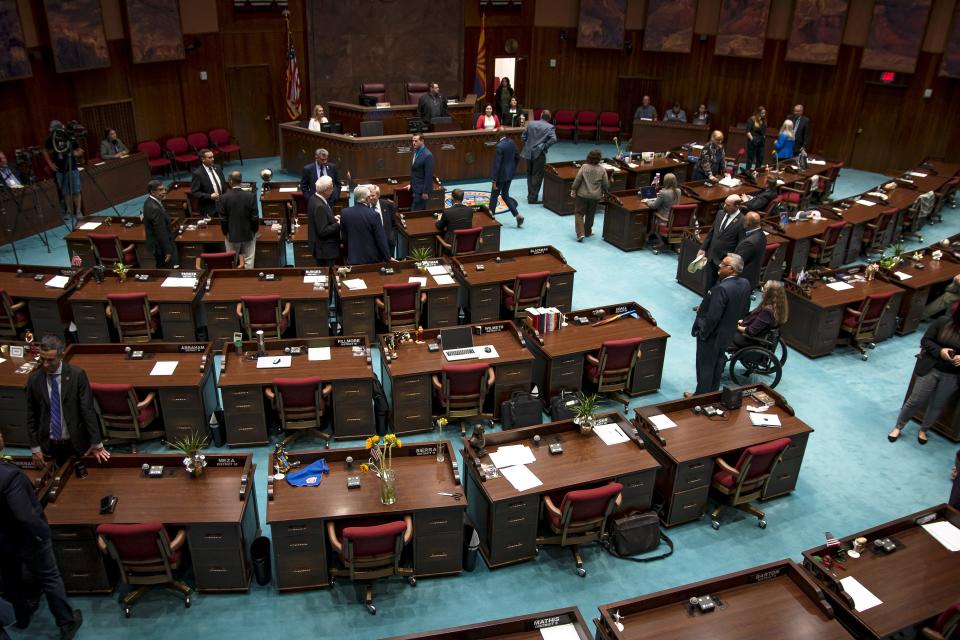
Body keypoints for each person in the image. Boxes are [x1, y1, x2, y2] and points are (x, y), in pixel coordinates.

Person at [0, 434, 83, 640]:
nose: (2, 435)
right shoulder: (9, 476)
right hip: (27, 538)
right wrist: (42, 533)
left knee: (10, 578)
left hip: (2, 541)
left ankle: (21, 616)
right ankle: (66, 622)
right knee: (49, 577)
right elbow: (25, 515)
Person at [27, 334, 109, 467]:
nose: (45, 364)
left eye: (50, 360)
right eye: (42, 359)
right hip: (48, 445)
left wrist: (96, 443)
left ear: (61, 356)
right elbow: (31, 415)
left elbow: (87, 410)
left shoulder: (77, 375)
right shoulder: (34, 379)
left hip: (75, 442)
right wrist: (35, 447)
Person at [889, 304, 960, 445]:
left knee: (937, 405)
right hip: (932, 368)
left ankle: (924, 430)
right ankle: (898, 427)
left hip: (952, 375)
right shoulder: (943, 322)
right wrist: (940, 351)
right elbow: (925, 341)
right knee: (915, 400)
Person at [690, 254, 752, 395]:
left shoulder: (722, 288)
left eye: (723, 264)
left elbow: (713, 317)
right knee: (717, 366)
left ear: (731, 270)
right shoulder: (745, 283)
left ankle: (700, 398)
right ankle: (712, 395)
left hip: (712, 336)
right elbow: (744, 310)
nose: (719, 265)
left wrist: (703, 333)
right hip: (728, 334)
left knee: (705, 368)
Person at [698, 195, 745, 291]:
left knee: (720, 288)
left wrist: (731, 262)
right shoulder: (720, 213)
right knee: (708, 286)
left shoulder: (742, 221)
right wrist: (703, 248)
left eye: (728, 205)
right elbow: (711, 232)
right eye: (725, 203)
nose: (724, 206)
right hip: (712, 257)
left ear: (737, 206)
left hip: (725, 262)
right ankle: (706, 305)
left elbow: (740, 244)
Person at [43, 120, 83, 221]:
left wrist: (74, 153)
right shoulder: (51, 139)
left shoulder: (68, 136)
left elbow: (80, 151)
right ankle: (68, 211)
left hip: (72, 168)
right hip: (60, 170)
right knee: (65, 192)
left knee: (76, 191)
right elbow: (44, 150)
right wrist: (50, 164)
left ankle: (78, 211)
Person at [218, 171, 259, 269]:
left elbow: (223, 219)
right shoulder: (250, 196)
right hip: (248, 233)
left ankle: (233, 280)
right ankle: (249, 280)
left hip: (231, 234)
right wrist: (254, 231)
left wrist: (226, 233)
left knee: (232, 260)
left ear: (230, 181)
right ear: (241, 181)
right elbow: (255, 217)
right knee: (249, 259)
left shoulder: (224, 198)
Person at [732, 280, 789, 350]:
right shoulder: (777, 308)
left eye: (764, 288)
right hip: (756, 336)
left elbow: (750, 331)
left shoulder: (767, 311)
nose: (762, 290)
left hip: (747, 340)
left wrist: (735, 326)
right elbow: (756, 322)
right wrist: (740, 321)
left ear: (770, 293)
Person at [341, 185, 389, 265]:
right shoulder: (374, 215)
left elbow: (344, 237)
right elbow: (380, 239)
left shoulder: (345, 213)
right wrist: (387, 257)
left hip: (352, 258)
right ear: (367, 198)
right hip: (371, 259)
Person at [570, 149, 610, 242]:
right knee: (591, 214)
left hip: (582, 195)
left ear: (588, 157)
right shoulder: (602, 170)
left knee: (579, 213)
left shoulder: (584, 167)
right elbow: (605, 184)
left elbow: (577, 180)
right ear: (599, 159)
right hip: (595, 197)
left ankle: (580, 234)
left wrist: (573, 189)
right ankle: (587, 232)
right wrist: (605, 191)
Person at [520, 110, 557, 204]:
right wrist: (544, 146)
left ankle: (530, 195)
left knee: (529, 174)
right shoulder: (550, 127)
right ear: (549, 118)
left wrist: (527, 146)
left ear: (541, 115)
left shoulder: (531, 123)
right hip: (539, 154)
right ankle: (533, 198)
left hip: (528, 153)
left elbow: (523, 137)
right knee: (537, 175)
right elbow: (554, 139)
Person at [306, 175, 340, 266]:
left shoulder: (314, 198)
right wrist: (338, 224)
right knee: (328, 275)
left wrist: (333, 218)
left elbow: (320, 219)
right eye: (332, 188)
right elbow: (323, 231)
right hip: (325, 250)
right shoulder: (320, 206)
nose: (333, 190)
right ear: (326, 190)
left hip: (320, 247)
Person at [490, 133, 524, 226]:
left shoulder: (499, 146)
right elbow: (517, 157)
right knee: (505, 196)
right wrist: (513, 169)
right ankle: (517, 215)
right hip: (509, 175)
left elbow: (497, 165)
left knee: (494, 197)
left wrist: (494, 180)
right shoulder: (512, 142)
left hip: (500, 177)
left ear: (497, 136)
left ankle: (490, 219)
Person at [143, 180, 176, 268]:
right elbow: (161, 231)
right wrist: (167, 251)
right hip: (160, 247)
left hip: (157, 244)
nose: (164, 192)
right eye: (160, 190)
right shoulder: (155, 208)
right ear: (153, 192)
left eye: (164, 189)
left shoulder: (148, 201)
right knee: (166, 270)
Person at [190, 148, 226, 217]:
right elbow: (195, 192)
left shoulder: (218, 168)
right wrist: (210, 196)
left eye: (213, 157)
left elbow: (223, 184)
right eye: (210, 157)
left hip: (222, 204)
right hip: (209, 207)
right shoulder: (198, 174)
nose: (213, 159)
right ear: (203, 159)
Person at [735, 212, 766, 288]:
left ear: (748, 223)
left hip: (742, 279)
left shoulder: (749, 242)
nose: (743, 220)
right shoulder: (762, 234)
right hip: (753, 277)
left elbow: (736, 262)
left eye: (744, 219)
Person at [368, 184, 398, 258]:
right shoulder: (365, 207)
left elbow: (394, 223)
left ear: (378, 195)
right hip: (372, 243)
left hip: (388, 241)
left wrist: (392, 236)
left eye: (373, 195)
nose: (371, 198)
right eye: (369, 196)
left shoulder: (388, 205)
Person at [409, 133, 435, 211]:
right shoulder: (415, 151)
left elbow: (428, 175)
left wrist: (425, 192)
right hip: (415, 187)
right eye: (413, 141)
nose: (413, 143)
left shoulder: (428, 155)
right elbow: (415, 171)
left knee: (414, 212)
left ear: (422, 141)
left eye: (416, 141)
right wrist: (411, 184)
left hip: (421, 191)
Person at [744, 106, 767, 174]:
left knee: (760, 158)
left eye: (764, 113)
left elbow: (764, 132)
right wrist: (752, 140)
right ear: (758, 112)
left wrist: (763, 137)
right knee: (750, 158)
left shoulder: (763, 120)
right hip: (753, 141)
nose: (764, 114)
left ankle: (757, 172)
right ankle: (747, 172)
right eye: (762, 113)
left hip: (761, 142)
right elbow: (747, 132)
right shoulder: (751, 119)